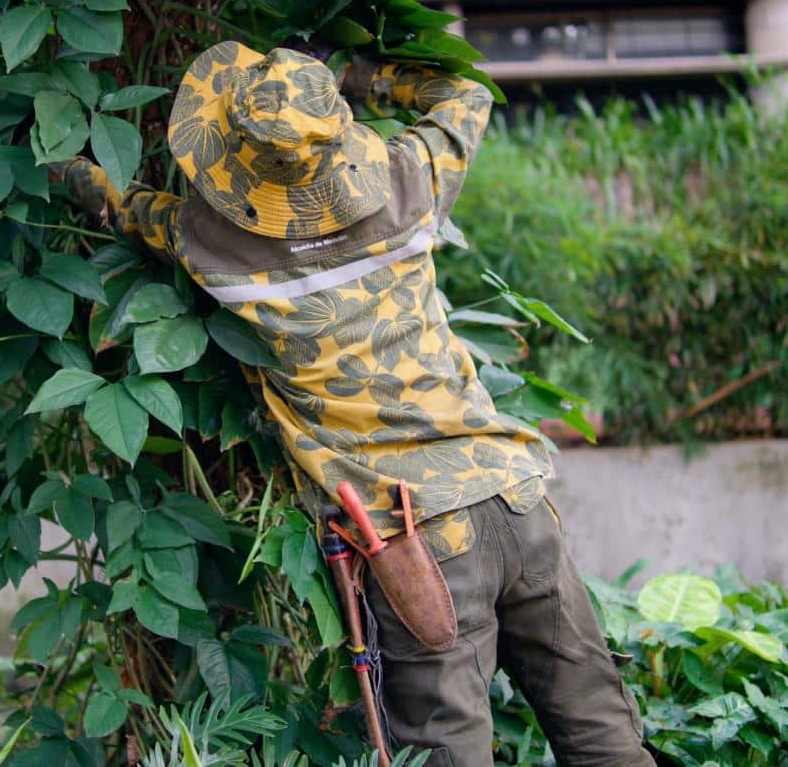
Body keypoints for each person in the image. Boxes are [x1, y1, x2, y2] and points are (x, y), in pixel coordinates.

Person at [51, 40, 654, 766]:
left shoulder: (211, 243)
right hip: (514, 497)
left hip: (420, 540)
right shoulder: (409, 179)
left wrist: (66, 168)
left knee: (446, 750)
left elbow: (126, 209)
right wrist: (350, 76)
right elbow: (467, 96)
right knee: (600, 730)